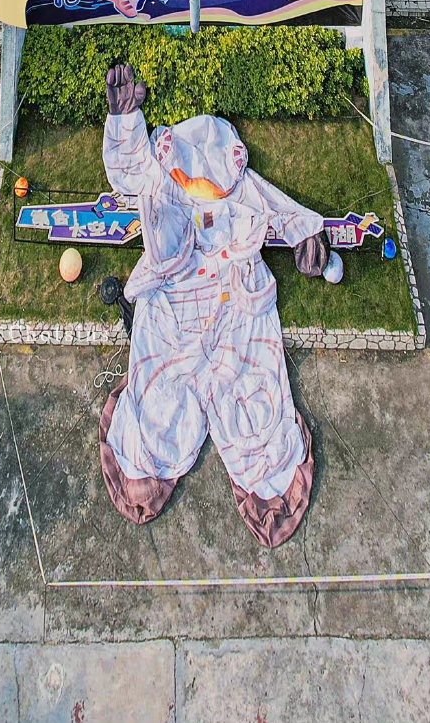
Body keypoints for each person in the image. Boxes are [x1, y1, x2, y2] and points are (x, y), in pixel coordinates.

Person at [99, 61, 329, 547]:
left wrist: (305, 233)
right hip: (172, 302)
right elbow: (128, 173)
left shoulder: (242, 189)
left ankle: (269, 482)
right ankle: (146, 466)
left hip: (234, 307)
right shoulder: (161, 181)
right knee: (161, 402)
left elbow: (279, 208)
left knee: (251, 394)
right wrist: (123, 122)